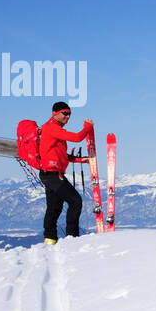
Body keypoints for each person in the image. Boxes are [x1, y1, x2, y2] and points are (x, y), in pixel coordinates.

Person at [38, 101, 93, 243]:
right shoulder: (52, 127)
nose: (68, 117)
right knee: (75, 201)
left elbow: (59, 155)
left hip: (50, 173)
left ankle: (50, 239)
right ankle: (72, 238)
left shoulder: (54, 129)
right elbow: (77, 138)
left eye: (69, 114)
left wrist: (80, 160)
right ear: (55, 113)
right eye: (65, 113)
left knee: (54, 208)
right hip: (52, 174)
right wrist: (87, 127)